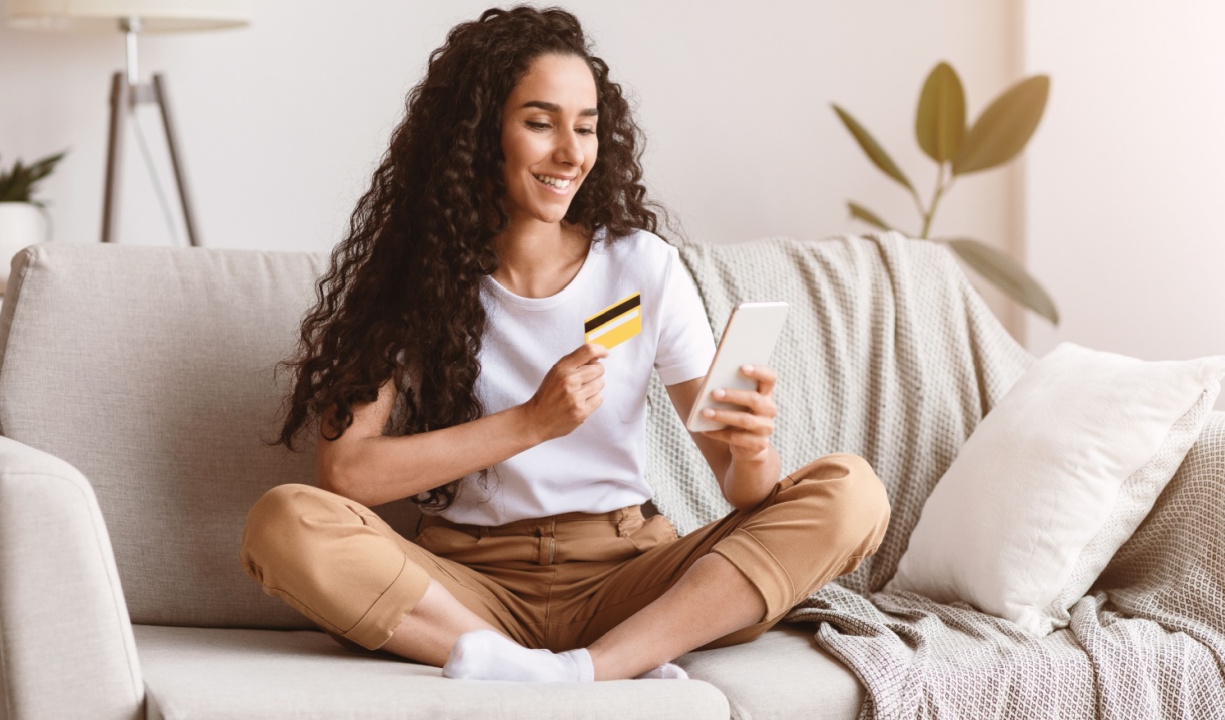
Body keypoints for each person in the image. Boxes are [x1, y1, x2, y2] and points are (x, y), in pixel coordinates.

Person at [240, 5, 890, 683]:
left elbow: (740, 487)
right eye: (540, 123)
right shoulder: (416, 277)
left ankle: (596, 667)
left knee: (852, 492)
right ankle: (522, 663)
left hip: (627, 579)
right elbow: (346, 474)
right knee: (284, 521)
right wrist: (530, 424)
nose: (571, 152)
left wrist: (752, 451)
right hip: (471, 585)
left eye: (585, 127)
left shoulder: (640, 268)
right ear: (478, 133)